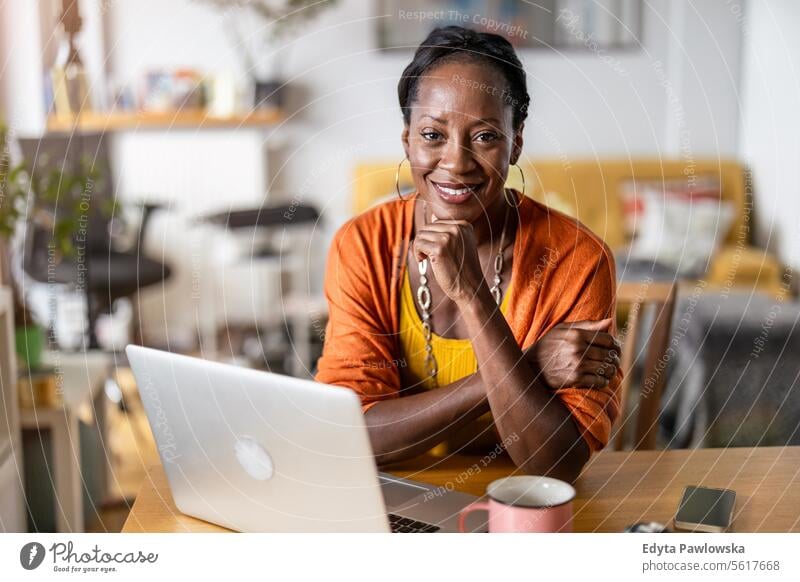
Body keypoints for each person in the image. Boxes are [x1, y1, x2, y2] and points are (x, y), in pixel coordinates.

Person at [315, 26, 621, 482]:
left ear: (516, 142)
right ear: (407, 142)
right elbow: (352, 435)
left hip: (519, 507)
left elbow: (555, 464)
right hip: (392, 504)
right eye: (433, 134)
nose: (456, 163)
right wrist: (530, 364)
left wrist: (473, 295)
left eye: (484, 137)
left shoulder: (577, 258)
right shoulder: (364, 245)